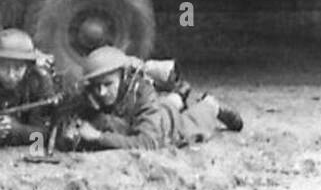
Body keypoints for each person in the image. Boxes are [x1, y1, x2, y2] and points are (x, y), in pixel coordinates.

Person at [54, 46, 242, 152]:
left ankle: (211, 106)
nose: (101, 92)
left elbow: (148, 143)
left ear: (123, 77)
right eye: (96, 86)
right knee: (164, 105)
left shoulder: (142, 91)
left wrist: (98, 137)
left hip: (166, 127)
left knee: (189, 125)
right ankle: (178, 95)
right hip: (145, 115)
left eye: (108, 84)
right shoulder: (92, 94)